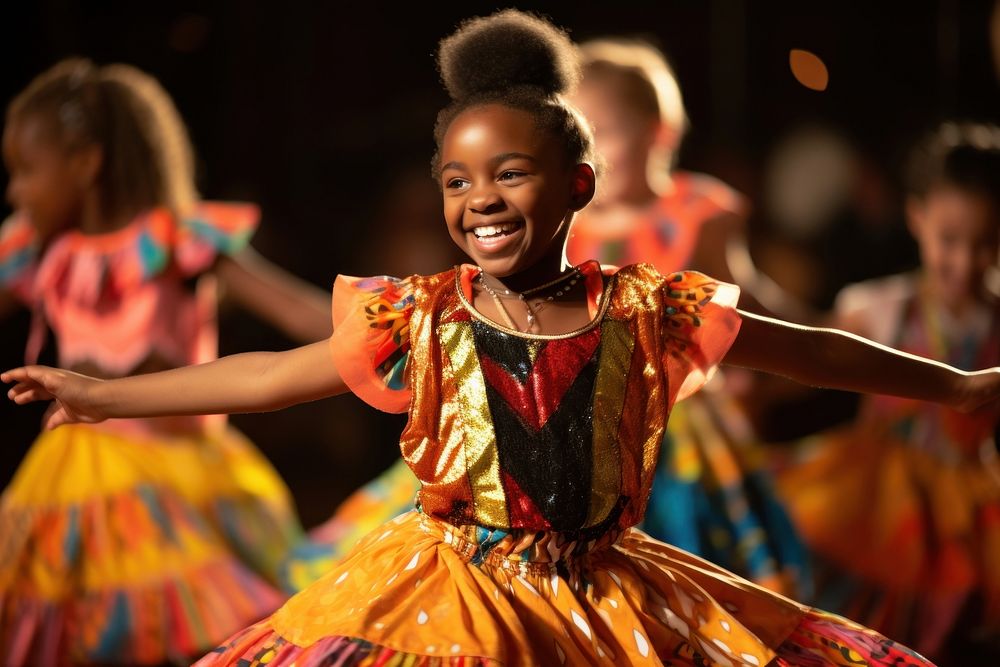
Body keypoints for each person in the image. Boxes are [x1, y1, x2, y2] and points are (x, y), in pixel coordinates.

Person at [5, 12, 999, 666]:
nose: (479, 199)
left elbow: (813, 350)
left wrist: (955, 388)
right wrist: (100, 396)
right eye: (456, 182)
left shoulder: (653, 308)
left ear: (578, 184)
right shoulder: (420, 313)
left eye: (508, 175)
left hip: (602, 590)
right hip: (454, 594)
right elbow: (268, 374)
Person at [0, 58, 332, 664]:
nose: (14, 192)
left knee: (205, 631)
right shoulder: (40, 253)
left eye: (25, 172)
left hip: (182, 477)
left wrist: (403, 319)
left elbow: (297, 312)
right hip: (76, 483)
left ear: (86, 164)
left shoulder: (178, 240)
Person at [777, 122, 1000, 662]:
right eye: (950, 240)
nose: (966, 262)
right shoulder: (877, 308)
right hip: (876, 502)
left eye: (988, 243)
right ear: (916, 217)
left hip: (972, 513)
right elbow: (805, 368)